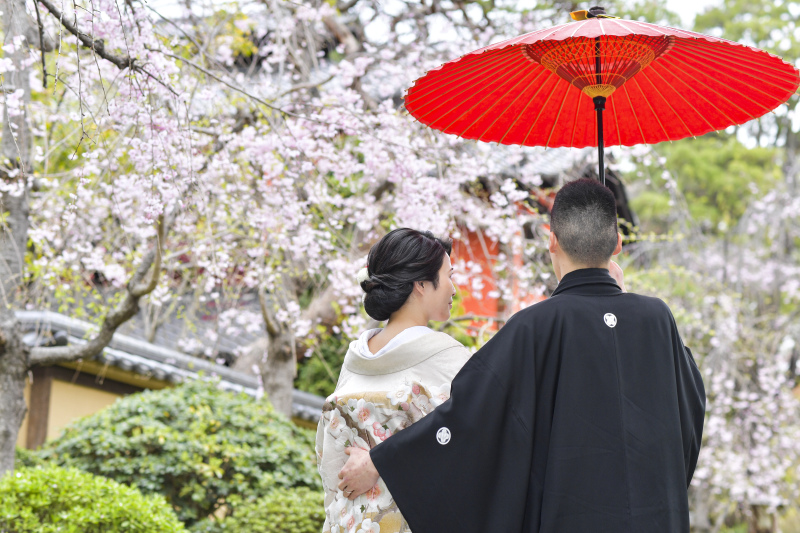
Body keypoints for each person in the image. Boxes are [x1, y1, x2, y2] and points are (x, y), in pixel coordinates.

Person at [337, 178, 706, 533]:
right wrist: (622, 300)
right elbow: (689, 414)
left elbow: (468, 420)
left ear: (552, 242)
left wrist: (381, 462)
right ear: (619, 244)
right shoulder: (658, 319)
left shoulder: (533, 326)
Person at [315, 228, 471, 533]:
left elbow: (330, 463)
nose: (454, 288)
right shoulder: (448, 361)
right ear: (421, 285)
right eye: (449, 276)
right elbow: (470, 448)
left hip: (349, 523)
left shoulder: (355, 359)